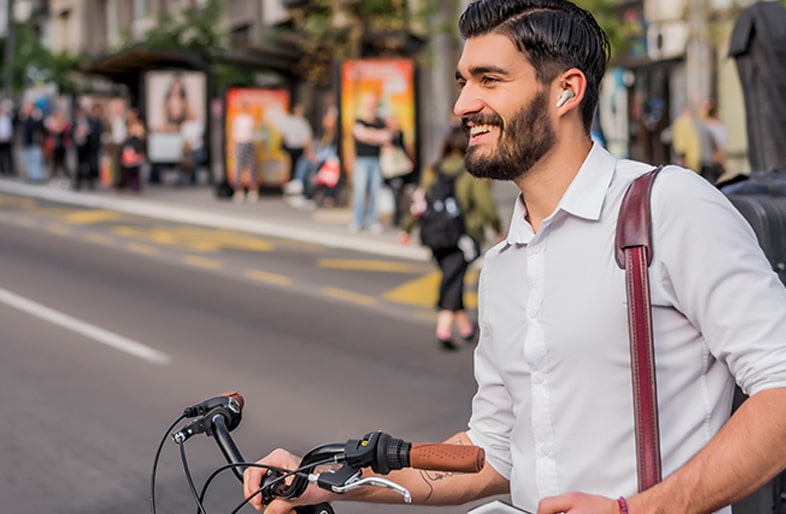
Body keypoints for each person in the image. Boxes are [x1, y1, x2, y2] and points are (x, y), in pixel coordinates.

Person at [244, 1, 786, 514]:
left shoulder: (666, 206)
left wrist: (640, 509)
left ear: (566, 91)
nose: (463, 105)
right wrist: (324, 480)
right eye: (463, 82)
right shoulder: (504, 263)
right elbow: (493, 455)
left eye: (490, 79)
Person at [399, 124, 503, 351]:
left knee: (451, 275)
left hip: (436, 237)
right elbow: (485, 206)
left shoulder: (433, 170)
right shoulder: (471, 172)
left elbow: (419, 202)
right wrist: (497, 228)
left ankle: (465, 327)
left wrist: (407, 228)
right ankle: (444, 329)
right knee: (453, 279)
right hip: (462, 237)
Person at [350, 93, 391, 233]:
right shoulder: (359, 120)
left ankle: (372, 220)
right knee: (360, 191)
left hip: (376, 160)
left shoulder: (380, 122)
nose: (371, 107)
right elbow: (361, 134)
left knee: (375, 191)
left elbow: (386, 137)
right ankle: (357, 220)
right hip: (361, 160)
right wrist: (375, 136)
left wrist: (369, 134)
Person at [231, 101, 259, 202]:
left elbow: (255, 130)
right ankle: (239, 191)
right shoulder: (237, 119)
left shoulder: (250, 118)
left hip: (249, 143)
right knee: (238, 168)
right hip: (240, 143)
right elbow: (234, 133)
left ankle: (253, 191)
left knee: (251, 167)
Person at [278, 103, 313, 180]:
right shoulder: (299, 121)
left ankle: (293, 182)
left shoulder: (297, 121)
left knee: (294, 167)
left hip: (294, 147)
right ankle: (293, 182)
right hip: (294, 147)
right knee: (294, 167)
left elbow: (282, 133)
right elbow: (307, 137)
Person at [18, 101, 46, 184]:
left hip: (35, 142)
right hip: (27, 141)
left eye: (28, 107)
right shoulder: (24, 117)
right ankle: (31, 176)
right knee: (29, 160)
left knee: (36, 160)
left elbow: (41, 128)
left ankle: (38, 177)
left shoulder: (37, 116)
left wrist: (34, 116)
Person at [44, 109, 71, 183]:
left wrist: (60, 128)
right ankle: (53, 177)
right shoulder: (52, 124)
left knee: (63, 162)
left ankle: (65, 178)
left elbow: (67, 133)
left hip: (62, 146)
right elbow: (48, 130)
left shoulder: (65, 124)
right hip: (55, 146)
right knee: (54, 162)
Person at [0, 102, 15, 176]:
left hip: (7, 139)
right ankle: (2, 170)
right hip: (1, 139)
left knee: (9, 155)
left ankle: (10, 170)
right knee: (1, 155)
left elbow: (11, 128)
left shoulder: (8, 118)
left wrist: (11, 136)